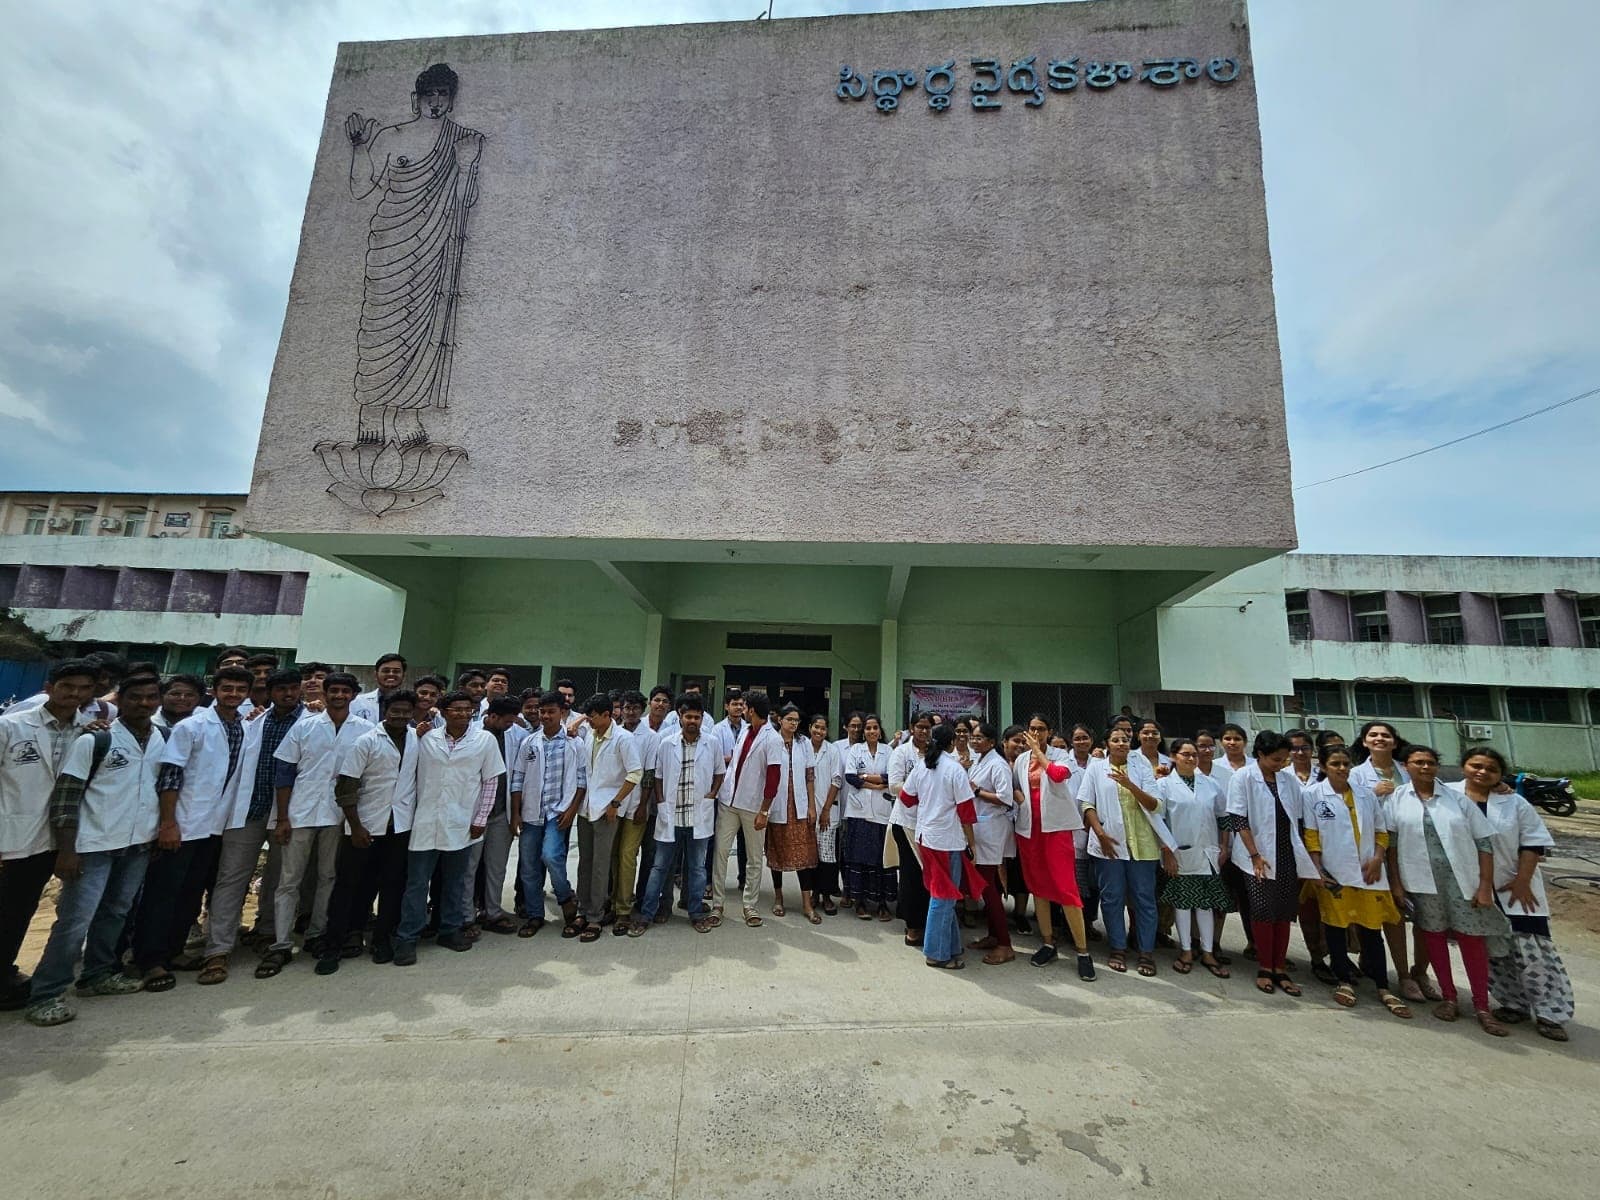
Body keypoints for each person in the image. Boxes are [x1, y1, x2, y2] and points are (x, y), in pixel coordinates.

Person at [23, 674, 164, 1026]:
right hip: (93, 845)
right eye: (136, 697)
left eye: (151, 697)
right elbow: (67, 797)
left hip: (137, 844)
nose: (144, 703)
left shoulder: (162, 737)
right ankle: (46, 993)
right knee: (75, 921)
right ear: (121, 701)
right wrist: (66, 850)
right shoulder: (96, 739)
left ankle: (97, 975)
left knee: (116, 912)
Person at [133, 664, 255, 992]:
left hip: (214, 827)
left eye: (239, 690)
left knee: (190, 893)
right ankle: (151, 960)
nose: (233, 694)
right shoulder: (192, 726)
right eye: (227, 688)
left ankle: (174, 951)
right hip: (183, 823)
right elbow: (171, 775)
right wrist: (168, 823)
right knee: (163, 894)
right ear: (214, 691)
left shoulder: (244, 727)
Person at [1388, 745, 1510, 1036]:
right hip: (1422, 881)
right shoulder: (1396, 799)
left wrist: (1485, 885)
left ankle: (1482, 1006)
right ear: (1406, 766)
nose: (1425, 767)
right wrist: (1396, 883)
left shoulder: (1458, 799)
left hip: (1462, 881)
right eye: (1418, 762)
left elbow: (1484, 844)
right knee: (1434, 937)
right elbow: (1391, 846)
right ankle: (1449, 997)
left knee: (1472, 940)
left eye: (1430, 762)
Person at [0, 659, 101, 1008]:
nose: (75, 694)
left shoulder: (89, 731)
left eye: (83, 688)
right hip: (11, 830)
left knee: (20, 906)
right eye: (67, 686)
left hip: (55, 835)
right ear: (49, 688)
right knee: (8, 906)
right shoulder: (11, 726)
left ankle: (5, 972)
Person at [259, 672, 373, 977]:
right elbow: (284, 774)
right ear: (324, 693)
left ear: (353, 695)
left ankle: (316, 934)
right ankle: (281, 943)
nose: (339, 695)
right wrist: (282, 818)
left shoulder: (365, 730)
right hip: (301, 812)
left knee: (328, 876)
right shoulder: (304, 726)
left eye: (345, 691)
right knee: (289, 880)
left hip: (338, 815)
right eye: (333, 690)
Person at [1458, 747, 1574, 1042]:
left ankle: (1551, 1013)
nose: (1482, 772)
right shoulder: (1449, 794)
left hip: (1514, 886)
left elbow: (1533, 842)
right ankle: (1512, 1003)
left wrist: (1522, 881)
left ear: (1500, 775)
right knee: (1494, 950)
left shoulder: (1515, 802)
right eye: (1476, 766)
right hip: (1471, 884)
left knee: (1533, 951)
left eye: (1491, 769)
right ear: (1463, 767)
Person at [196, 668, 299, 983]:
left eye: (293, 689)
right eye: (280, 689)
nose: (287, 694)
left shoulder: (309, 722)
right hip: (248, 809)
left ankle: (266, 932)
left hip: (289, 813)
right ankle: (218, 949)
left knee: (279, 878)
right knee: (231, 878)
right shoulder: (253, 721)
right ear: (269, 692)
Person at [392, 691, 504, 965]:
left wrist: (480, 819)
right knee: (417, 884)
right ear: (443, 712)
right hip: (425, 821)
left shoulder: (484, 740)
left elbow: (490, 781)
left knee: (455, 881)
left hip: (462, 821)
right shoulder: (426, 738)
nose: (463, 713)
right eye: (456, 709)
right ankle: (408, 937)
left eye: (467, 709)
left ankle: (450, 930)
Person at [1300, 744, 1409, 1017]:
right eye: (1335, 764)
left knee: (1372, 930)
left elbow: (1381, 832)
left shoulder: (1365, 794)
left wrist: (1377, 859)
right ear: (1323, 766)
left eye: (1345, 764)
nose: (1341, 768)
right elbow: (1311, 835)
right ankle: (1344, 980)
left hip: (1369, 872)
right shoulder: (1312, 795)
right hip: (1334, 872)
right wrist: (1318, 869)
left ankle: (1383, 986)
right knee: (1336, 928)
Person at [317, 690, 420, 972]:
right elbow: (346, 787)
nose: (400, 716)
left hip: (399, 827)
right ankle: (333, 946)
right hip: (365, 827)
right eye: (395, 710)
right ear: (385, 711)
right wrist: (356, 826)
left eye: (406, 711)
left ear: (412, 713)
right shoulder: (366, 741)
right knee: (348, 886)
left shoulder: (417, 739)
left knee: (392, 886)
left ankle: (381, 939)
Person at [1224, 730, 1317, 997]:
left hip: (1286, 851)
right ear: (1261, 755)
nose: (1281, 764)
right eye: (1276, 759)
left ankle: (1280, 967)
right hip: (1256, 854)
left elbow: (1298, 817)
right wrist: (1254, 854)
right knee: (1263, 909)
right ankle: (1265, 966)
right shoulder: (1243, 777)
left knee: (1284, 911)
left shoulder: (1288, 780)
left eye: (1284, 759)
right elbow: (1238, 819)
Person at [1350, 720, 1435, 1004]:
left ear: (1395, 742)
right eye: (1373, 735)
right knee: (1393, 915)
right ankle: (1404, 975)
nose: (1379, 739)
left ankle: (1421, 971)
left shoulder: (1410, 769)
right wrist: (1371, 794)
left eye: (1385, 735)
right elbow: (1348, 808)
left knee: (1426, 917)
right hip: (1378, 851)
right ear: (1364, 742)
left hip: (1416, 849)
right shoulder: (1356, 775)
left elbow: (1440, 792)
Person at [1082, 727, 1174, 977]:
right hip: (1108, 843)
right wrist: (1100, 834)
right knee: (1111, 897)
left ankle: (1146, 952)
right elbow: (1087, 803)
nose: (1121, 743)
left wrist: (1131, 786)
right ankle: (1118, 948)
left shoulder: (1140, 767)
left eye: (1125, 739)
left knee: (1144, 899)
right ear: (1107, 744)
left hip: (1142, 845)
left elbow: (1156, 805)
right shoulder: (1096, 768)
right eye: (1116, 740)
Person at [631, 693, 722, 934]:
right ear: (680, 717)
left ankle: (696, 913)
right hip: (671, 815)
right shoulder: (666, 743)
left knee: (697, 869)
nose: (692, 721)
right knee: (659, 867)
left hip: (698, 816)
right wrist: (660, 800)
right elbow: (658, 776)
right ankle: (647, 914)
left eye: (697, 717)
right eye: (688, 716)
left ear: (702, 718)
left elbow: (719, 772)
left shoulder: (712, 743)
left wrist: (712, 794)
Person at [1012, 714, 1095, 978]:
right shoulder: (1021, 760)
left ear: (1049, 732)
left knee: (1066, 889)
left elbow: (1058, 776)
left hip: (1056, 831)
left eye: (1041, 729)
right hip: (1030, 831)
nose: (1036, 733)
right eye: (1032, 728)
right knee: (1039, 888)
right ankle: (1048, 942)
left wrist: (1039, 752)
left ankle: (1082, 951)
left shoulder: (1061, 756)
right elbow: (1016, 787)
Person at [899, 724, 984, 970]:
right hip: (946, 840)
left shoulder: (922, 766)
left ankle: (952, 946)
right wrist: (971, 843)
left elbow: (906, 798)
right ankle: (936, 952)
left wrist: (929, 805)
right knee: (944, 896)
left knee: (944, 893)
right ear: (951, 744)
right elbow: (966, 812)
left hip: (926, 836)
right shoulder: (954, 769)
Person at [509, 690, 587, 937]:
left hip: (558, 812)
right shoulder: (529, 742)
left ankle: (565, 897)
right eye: (542, 711)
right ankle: (535, 915)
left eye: (551, 711)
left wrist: (571, 811)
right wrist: (515, 813)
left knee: (552, 856)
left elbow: (582, 781)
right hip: (531, 813)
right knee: (529, 866)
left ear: (562, 713)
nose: (545, 716)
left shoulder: (574, 743)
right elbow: (518, 779)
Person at [1156, 739, 1231, 979]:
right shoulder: (1164, 785)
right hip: (1180, 852)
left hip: (1208, 852)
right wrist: (1167, 852)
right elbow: (1158, 821)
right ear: (1173, 756)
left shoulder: (1210, 784)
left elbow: (1223, 816)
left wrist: (1224, 845)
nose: (1190, 759)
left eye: (1193, 755)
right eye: (1185, 754)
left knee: (1205, 905)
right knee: (1183, 904)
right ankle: (1186, 951)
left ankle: (1208, 952)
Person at [574, 693, 641, 943]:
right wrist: (581, 720)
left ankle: (595, 916)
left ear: (607, 715)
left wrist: (616, 803)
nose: (589, 721)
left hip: (606, 810)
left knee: (601, 865)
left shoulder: (623, 738)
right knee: (585, 863)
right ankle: (582, 910)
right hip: (586, 808)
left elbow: (635, 773)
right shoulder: (589, 736)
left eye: (592, 716)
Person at [711, 689, 780, 928]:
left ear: (751, 710)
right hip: (729, 802)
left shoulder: (772, 738)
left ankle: (750, 905)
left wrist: (764, 811)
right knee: (720, 852)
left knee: (754, 858)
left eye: (745, 707)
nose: (741, 710)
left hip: (753, 806)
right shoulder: (745, 731)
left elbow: (773, 777)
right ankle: (717, 904)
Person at [463, 696, 521, 936]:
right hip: (474, 812)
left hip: (500, 813)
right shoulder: (471, 734)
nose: (510, 726)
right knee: (469, 867)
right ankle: (466, 917)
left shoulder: (514, 735)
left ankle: (493, 913)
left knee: (497, 868)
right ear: (493, 716)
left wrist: (515, 814)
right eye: (507, 721)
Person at [965, 720, 1016, 965]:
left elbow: (1006, 798)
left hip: (991, 829)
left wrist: (977, 792)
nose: (974, 741)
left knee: (986, 886)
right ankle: (994, 936)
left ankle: (1005, 944)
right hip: (981, 827)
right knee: (989, 885)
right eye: (973, 737)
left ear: (992, 742)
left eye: (979, 738)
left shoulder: (998, 765)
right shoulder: (979, 761)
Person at [766, 705, 820, 923]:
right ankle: (778, 898)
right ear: (780, 720)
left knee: (804, 857)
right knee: (777, 853)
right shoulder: (771, 740)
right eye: (789, 719)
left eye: (796, 720)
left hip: (799, 806)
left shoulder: (804, 742)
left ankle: (807, 904)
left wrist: (812, 806)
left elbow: (810, 776)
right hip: (777, 804)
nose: (793, 723)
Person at [612, 690, 660, 933]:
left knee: (627, 855)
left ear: (642, 710)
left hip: (636, 806)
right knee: (612, 855)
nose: (630, 712)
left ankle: (624, 909)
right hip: (613, 804)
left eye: (635, 708)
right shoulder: (614, 732)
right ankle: (611, 903)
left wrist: (643, 806)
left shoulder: (651, 737)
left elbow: (649, 774)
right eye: (627, 707)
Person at [840, 714, 896, 921]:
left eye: (875, 728)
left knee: (881, 860)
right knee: (859, 858)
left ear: (880, 731)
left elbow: (891, 777)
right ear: (863, 732)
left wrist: (865, 777)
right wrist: (875, 784)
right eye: (868, 728)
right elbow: (850, 777)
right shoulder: (856, 750)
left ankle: (882, 904)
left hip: (881, 812)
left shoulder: (889, 751)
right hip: (859, 812)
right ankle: (860, 902)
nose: (872, 731)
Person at [888, 713, 933, 947]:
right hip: (906, 822)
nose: (924, 731)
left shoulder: (935, 753)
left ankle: (928, 921)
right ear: (911, 728)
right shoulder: (901, 753)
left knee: (929, 875)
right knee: (911, 875)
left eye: (928, 728)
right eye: (920, 727)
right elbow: (894, 785)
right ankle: (912, 925)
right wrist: (920, 788)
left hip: (931, 823)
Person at [806, 715, 843, 916]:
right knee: (811, 856)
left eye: (823, 728)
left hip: (828, 813)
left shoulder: (833, 751)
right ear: (810, 728)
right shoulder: (803, 748)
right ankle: (813, 894)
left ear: (826, 731)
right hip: (807, 811)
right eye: (816, 727)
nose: (819, 731)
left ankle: (827, 896)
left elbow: (837, 781)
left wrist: (826, 810)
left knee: (827, 857)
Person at [352, 653, 407, 724]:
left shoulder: (412, 704)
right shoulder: (357, 702)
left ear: (403, 676)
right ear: (376, 675)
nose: (391, 674)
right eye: (386, 671)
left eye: (396, 671)